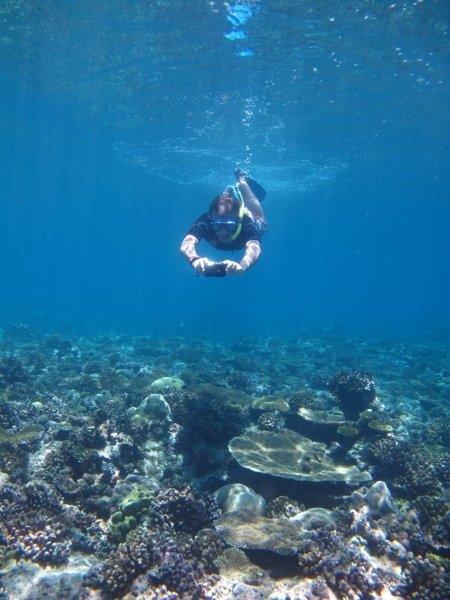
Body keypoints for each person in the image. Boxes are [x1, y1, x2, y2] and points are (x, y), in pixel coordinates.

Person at [180, 169, 267, 276]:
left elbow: (254, 247)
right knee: (224, 206)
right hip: (228, 214)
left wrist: (242, 266)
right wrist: (194, 260)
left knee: (263, 224)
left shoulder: (246, 223)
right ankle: (229, 195)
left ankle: (242, 180)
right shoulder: (206, 221)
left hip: (250, 216)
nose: (223, 232)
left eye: (229, 226)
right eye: (217, 226)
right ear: (212, 221)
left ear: (238, 223)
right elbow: (187, 242)